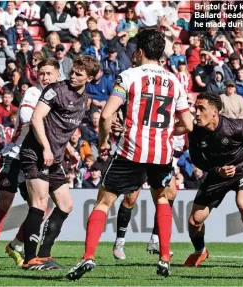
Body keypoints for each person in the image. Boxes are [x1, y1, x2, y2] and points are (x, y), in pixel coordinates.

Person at [66, 29, 193, 280]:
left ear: (140, 52)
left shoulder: (129, 76)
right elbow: (188, 125)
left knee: (104, 202)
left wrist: (103, 143)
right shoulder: (175, 81)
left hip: (131, 150)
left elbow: (106, 114)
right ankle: (165, 258)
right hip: (161, 154)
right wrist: (167, 130)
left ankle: (88, 256)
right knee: (162, 200)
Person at [0, 58, 61, 269]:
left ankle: (16, 244)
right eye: (41, 73)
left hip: (35, 158)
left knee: (44, 207)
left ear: (58, 75)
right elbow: (26, 116)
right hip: (15, 155)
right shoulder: (34, 93)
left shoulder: (59, 96)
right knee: (4, 205)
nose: (45, 77)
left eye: (49, 73)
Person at [20, 55, 100, 270]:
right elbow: (37, 118)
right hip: (35, 152)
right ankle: (29, 259)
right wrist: (46, 147)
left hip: (54, 157)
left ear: (89, 78)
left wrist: (70, 151)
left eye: (79, 74)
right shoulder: (55, 90)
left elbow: (62, 129)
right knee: (39, 202)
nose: (73, 76)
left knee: (66, 205)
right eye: (73, 71)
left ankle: (44, 255)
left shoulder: (84, 101)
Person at [183, 91, 243, 269]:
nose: (196, 112)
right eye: (196, 108)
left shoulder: (236, 127)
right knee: (195, 221)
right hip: (217, 175)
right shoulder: (195, 132)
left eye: (201, 108)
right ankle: (200, 251)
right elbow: (196, 160)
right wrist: (218, 170)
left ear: (214, 112)